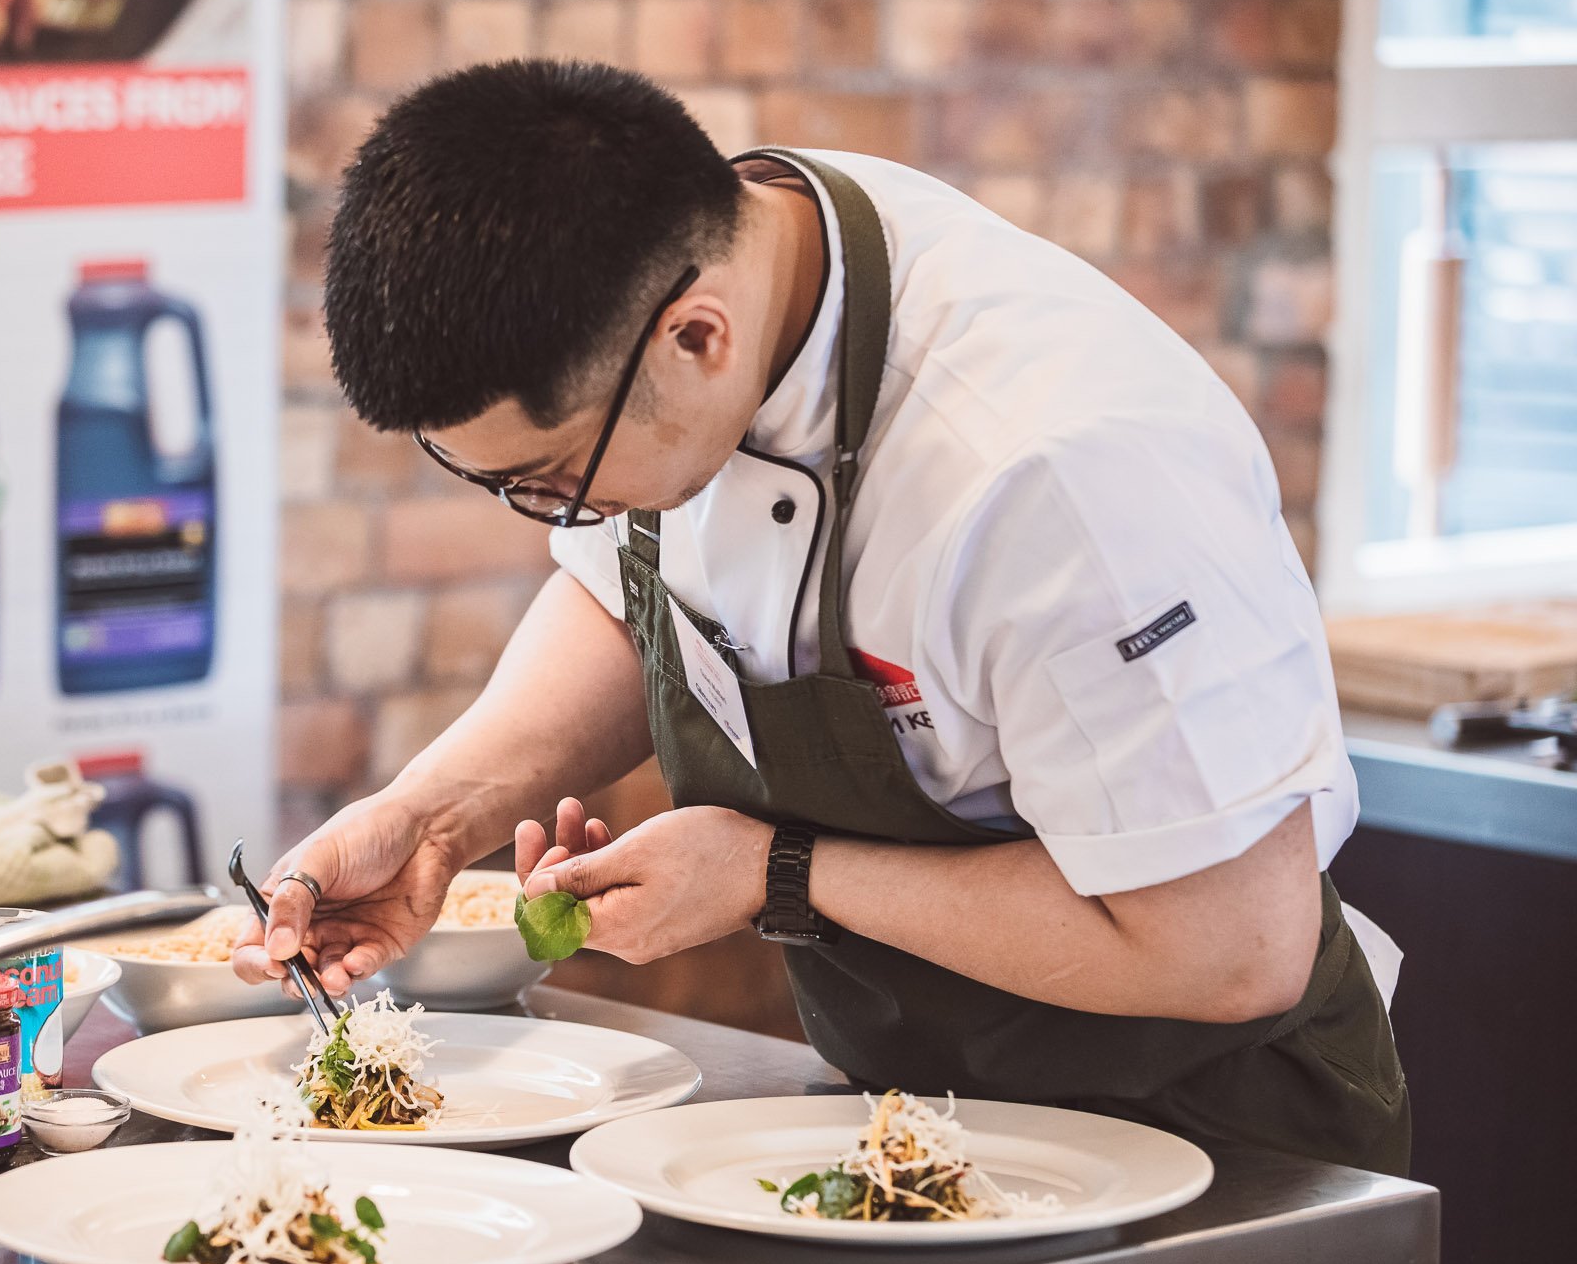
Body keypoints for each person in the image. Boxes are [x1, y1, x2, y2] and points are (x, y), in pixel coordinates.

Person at [237, 60, 1407, 1174]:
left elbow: (1233, 947)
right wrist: (430, 821)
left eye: (547, 476)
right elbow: (628, 598)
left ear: (698, 338)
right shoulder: (709, 266)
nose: (549, 514)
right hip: (915, 1122)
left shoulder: (1054, 472)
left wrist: (777, 873)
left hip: (1215, 1142)